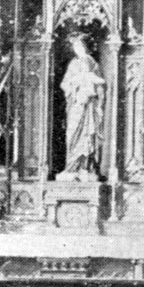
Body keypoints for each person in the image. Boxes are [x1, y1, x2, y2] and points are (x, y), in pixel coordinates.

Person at [60, 34, 105, 179]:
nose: (77, 48)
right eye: (75, 46)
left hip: (89, 106)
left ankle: (85, 168)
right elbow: (65, 84)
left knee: (88, 135)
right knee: (72, 134)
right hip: (75, 105)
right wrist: (76, 82)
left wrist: (95, 95)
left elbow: (100, 85)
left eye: (80, 45)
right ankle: (71, 168)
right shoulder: (73, 64)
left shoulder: (92, 63)